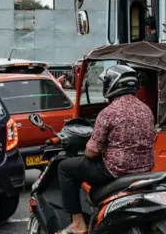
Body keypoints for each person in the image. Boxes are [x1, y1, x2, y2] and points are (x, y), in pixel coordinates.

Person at [56, 65, 155, 234]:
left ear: (113, 85)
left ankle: (78, 224)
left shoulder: (109, 112)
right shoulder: (146, 110)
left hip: (115, 171)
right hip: (145, 169)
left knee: (65, 168)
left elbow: (91, 153)